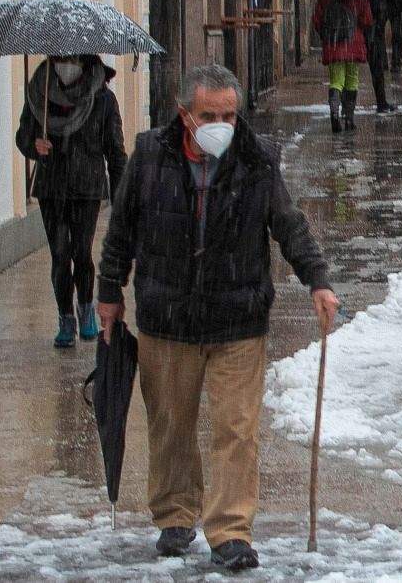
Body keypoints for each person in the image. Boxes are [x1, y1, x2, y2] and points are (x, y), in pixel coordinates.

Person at [97, 64, 338, 572]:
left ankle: (230, 529)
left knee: (237, 427)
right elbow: (121, 228)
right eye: (209, 114)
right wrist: (108, 292)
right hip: (168, 317)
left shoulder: (256, 160)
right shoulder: (148, 157)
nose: (221, 123)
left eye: (229, 114)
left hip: (237, 316)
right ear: (184, 114)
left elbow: (288, 224)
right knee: (170, 425)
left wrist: (317, 279)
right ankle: (175, 515)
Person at [15, 54, 127, 347]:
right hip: (50, 187)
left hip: (86, 188)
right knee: (60, 255)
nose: (66, 63)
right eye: (61, 57)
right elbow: (23, 134)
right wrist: (32, 145)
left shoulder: (102, 99)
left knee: (81, 252)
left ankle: (86, 308)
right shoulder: (40, 90)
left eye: (73, 58)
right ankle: (65, 316)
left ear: (85, 61)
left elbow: (115, 150)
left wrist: (121, 198)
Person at [312, 0, 374, 133]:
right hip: (354, 44)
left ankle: (334, 114)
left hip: (333, 45)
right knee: (352, 80)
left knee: (336, 81)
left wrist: (327, 36)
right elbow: (367, 20)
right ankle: (349, 118)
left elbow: (317, 20)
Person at [366, 0, 399, 113]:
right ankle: (381, 101)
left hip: (369, 32)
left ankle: (346, 107)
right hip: (373, 33)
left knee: (349, 72)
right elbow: (381, 9)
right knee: (377, 69)